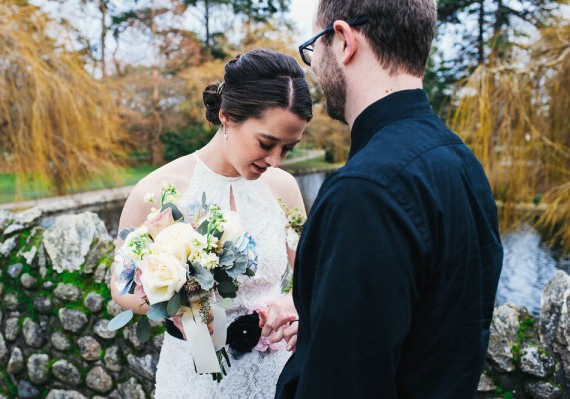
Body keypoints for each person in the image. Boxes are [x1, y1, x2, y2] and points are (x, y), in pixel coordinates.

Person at [266, 1, 504, 397]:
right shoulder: (462, 162)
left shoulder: (365, 191)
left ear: (343, 40)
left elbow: (343, 383)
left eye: (314, 47)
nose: (316, 68)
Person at [110, 48, 311, 398]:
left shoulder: (284, 190)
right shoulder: (157, 190)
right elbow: (121, 287)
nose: (276, 161)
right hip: (193, 376)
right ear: (227, 116)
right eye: (267, 143)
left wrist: (296, 302)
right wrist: (173, 303)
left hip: (275, 375)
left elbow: (310, 276)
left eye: (288, 149)